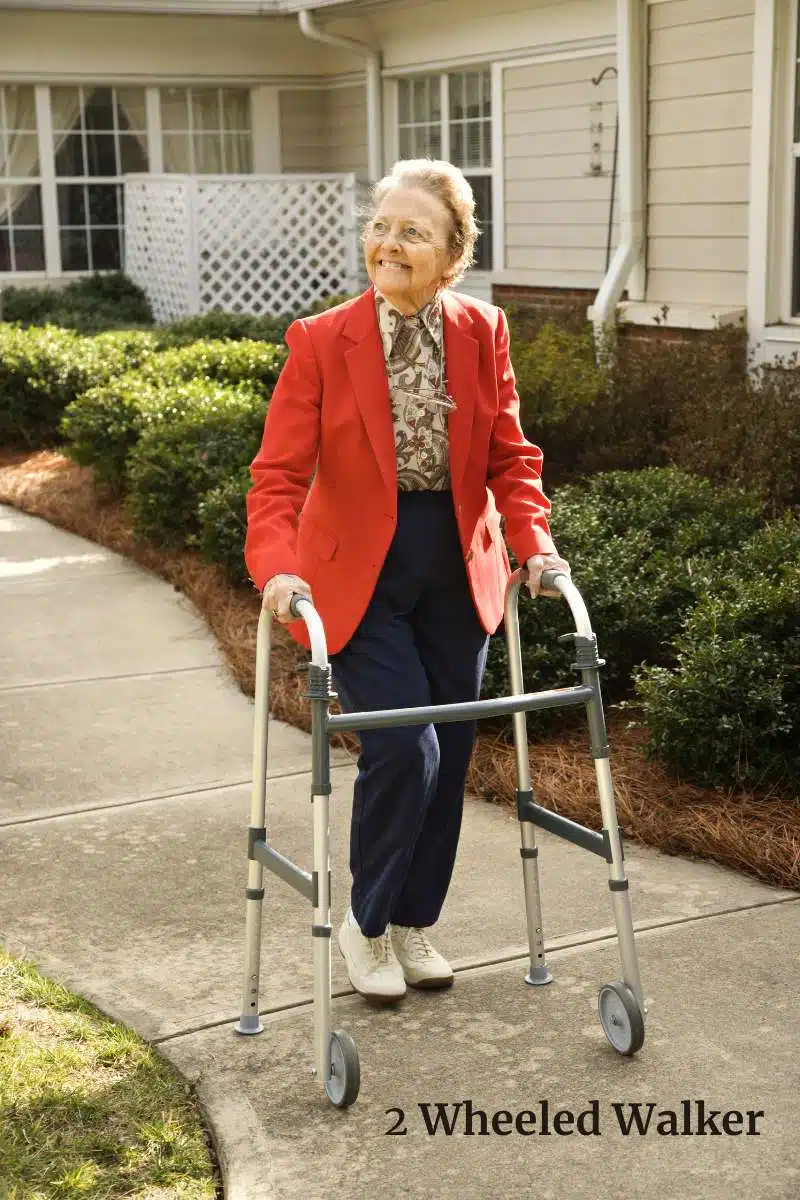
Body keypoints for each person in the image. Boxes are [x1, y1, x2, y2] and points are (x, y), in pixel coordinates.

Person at [245, 158, 570, 1005]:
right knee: (402, 745)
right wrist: (277, 568)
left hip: (457, 567)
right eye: (381, 225)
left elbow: (509, 454)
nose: (388, 243)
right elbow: (276, 477)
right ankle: (368, 919)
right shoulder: (321, 339)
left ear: (452, 252)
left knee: (452, 750)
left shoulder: (481, 330)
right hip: (356, 572)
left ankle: (414, 921)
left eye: (412, 232)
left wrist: (533, 543)